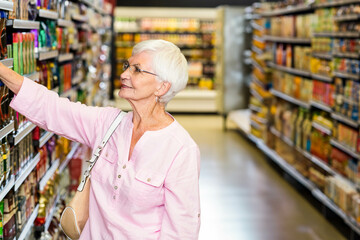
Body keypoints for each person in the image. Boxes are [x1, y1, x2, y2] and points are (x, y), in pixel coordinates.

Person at [1, 39, 201, 239]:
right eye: (127, 66)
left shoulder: (181, 149)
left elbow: (181, 230)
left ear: (162, 87)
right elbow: (51, 108)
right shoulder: (109, 124)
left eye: (137, 70)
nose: (123, 74)